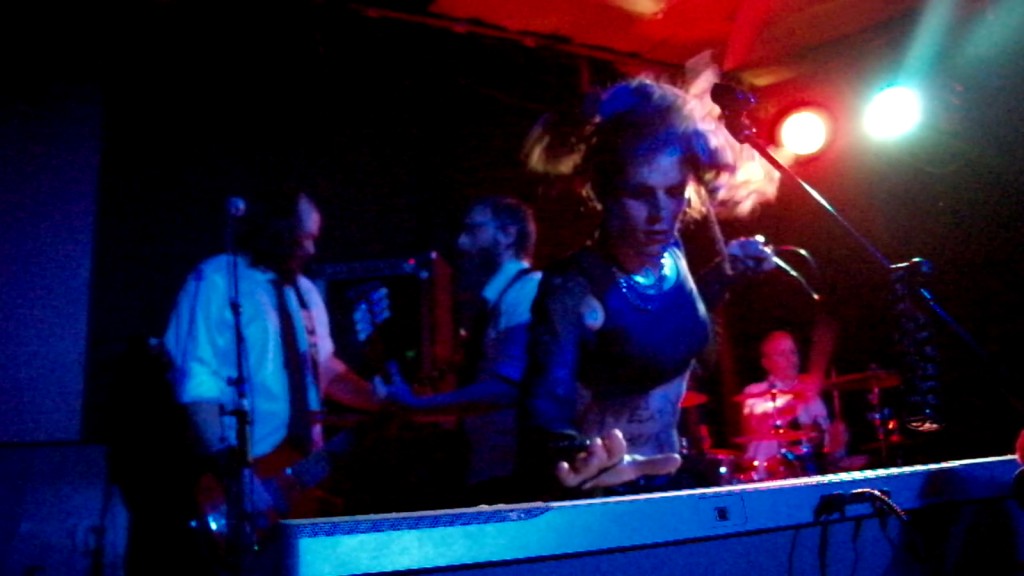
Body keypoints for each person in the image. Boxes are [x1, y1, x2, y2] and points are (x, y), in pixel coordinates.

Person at [516, 76, 778, 498]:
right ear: (604, 192)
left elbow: (668, 327)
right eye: (639, 194)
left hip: (673, 483)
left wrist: (726, 274)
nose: (660, 213)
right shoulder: (573, 285)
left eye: (673, 192)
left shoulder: (672, 256)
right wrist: (575, 458)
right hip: (608, 497)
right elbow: (546, 406)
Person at [160, 186, 379, 573]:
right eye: (305, 236)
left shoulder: (306, 292)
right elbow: (198, 383)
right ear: (278, 230)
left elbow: (324, 368)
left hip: (304, 471)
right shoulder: (218, 279)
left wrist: (382, 399)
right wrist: (235, 478)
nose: (312, 249)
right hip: (245, 469)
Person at [381, 195, 542, 505]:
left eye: (473, 230)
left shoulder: (527, 291)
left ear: (507, 234)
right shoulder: (500, 300)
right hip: (491, 467)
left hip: (509, 472)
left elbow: (505, 388)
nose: (461, 242)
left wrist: (418, 405)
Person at [736, 326, 842, 481]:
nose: (790, 359)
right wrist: (799, 395)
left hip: (809, 475)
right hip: (767, 476)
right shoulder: (754, 392)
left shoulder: (813, 398)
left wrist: (835, 442)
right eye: (782, 354)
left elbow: (825, 447)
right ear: (766, 363)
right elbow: (758, 423)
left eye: (793, 352)